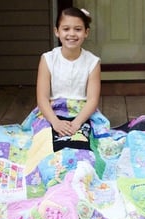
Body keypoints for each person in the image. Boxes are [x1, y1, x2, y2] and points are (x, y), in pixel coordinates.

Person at [36, 7, 101, 137]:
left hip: (82, 114)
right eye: (66, 29)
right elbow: (42, 98)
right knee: (44, 142)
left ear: (86, 32)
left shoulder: (92, 62)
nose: (71, 34)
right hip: (52, 113)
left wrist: (76, 124)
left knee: (89, 142)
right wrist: (56, 122)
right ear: (57, 32)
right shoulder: (48, 59)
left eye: (78, 29)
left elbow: (92, 100)